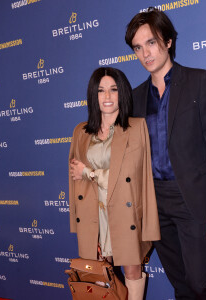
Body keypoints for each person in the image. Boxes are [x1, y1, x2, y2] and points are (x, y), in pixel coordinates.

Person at [125, 8, 206, 300]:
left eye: (151, 42)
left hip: (192, 201)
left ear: (168, 40)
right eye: (138, 47)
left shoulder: (201, 81)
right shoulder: (134, 98)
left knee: (200, 282)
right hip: (155, 204)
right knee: (180, 284)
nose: (145, 53)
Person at [68, 67, 160, 300]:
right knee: (99, 272)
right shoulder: (80, 131)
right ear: (93, 95)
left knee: (132, 270)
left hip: (125, 211)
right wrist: (77, 222)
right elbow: (74, 181)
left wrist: (88, 172)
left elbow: (128, 175)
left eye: (113, 90)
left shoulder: (136, 128)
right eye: (100, 90)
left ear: (122, 94)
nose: (107, 96)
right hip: (93, 214)